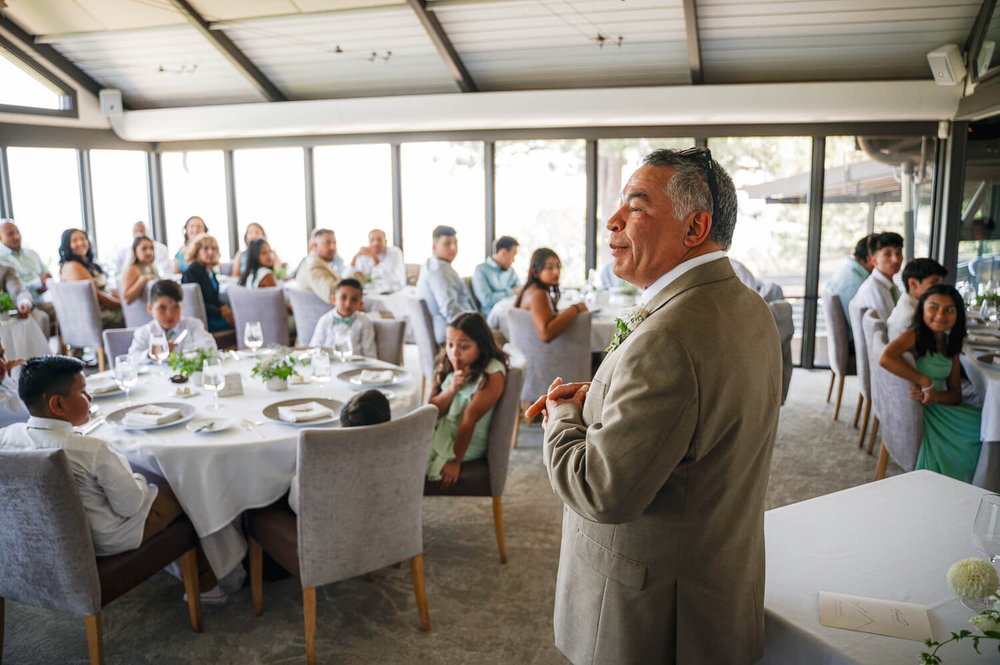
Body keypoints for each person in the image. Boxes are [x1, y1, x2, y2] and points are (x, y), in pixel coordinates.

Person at [532, 148, 781, 664]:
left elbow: (601, 492)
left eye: (636, 207)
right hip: (720, 581)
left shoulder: (668, 336)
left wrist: (563, 417)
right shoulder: (749, 307)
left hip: (656, 614)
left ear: (695, 228)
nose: (613, 220)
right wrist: (605, 394)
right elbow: (702, 413)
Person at [0, 356, 219, 595]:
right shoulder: (91, 450)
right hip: (107, 540)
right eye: (83, 392)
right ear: (58, 405)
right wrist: (140, 479)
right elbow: (130, 506)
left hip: (41, 544)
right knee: (183, 489)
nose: (90, 397)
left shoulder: (6, 437)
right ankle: (206, 585)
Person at [880, 285, 983, 482]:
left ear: (958, 314)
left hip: (938, 404)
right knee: (982, 433)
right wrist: (923, 380)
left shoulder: (948, 342)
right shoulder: (914, 336)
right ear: (922, 309)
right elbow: (885, 357)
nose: (940, 315)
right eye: (933, 308)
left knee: (987, 425)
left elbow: (955, 395)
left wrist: (935, 395)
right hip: (924, 413)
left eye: (949, 310)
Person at [425, 312, 508, 487]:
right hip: (442, 429)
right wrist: (452, 389)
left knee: (408, 461)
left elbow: (468, 419)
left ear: (481, 346)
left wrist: (455, 461)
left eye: (464, 347)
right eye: (450, 344)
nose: (454, 353)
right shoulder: (447, 363)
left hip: (465, 441)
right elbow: (431, 410)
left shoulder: (492, 373)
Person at [287, 389, 391, 515]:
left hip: (328, 526)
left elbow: (297, 500)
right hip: (386, 516)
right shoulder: (398, 457)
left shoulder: (328, 472)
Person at [416, 225, 476, 344]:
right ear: (434, 246)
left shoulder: (432, 264)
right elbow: (449, 309)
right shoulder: (438, 271)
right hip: (454, 332)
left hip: (452, 327)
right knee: (500, 339)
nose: (453, 248)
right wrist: (478, 328)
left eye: (455, 243)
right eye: (447, 244)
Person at [128, 280, 216, 361]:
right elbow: (132, 359)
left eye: (175, 307)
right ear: (150, 308)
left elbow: (210, 348)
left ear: (182, 307)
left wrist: (184, 354)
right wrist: (151, 353)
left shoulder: (193, 325)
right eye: (162, 308)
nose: (169, 314)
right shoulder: (144, 332)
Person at [514, 248, 587, 342]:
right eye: (549, 267)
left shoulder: (530, 290)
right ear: (535, 271)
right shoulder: (538, 294)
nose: (556, 272)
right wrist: (576, 308)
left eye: (558, 266)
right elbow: (546, 334)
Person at [59, 228, 123, 328]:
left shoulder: (84, 264)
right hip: (94, 318)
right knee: (136, 312)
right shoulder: (73, 266)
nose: (80, 243)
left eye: (83, 239)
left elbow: (105, 289)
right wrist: (121, 303)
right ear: (67, 245)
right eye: (74, 240)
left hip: (99, 311)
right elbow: (95, 295)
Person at [824, 234, 876, 339]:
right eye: (886, 254)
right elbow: (862, 329)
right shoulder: (856, 282)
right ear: (869, 258)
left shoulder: (849, 270)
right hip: (857, 343)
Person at [309, 278, 376, 357]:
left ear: (360, 304)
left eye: (354, 300)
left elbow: (370, 353)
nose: (348, 304)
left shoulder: (364, 322)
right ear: (333, 299)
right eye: (343, 297)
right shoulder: (325, 320)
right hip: (328, 363)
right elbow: (314, 347)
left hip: (355, 364)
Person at [181, 234, 233, 332]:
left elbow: (213, 298)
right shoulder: (192, 272)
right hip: (204, 319)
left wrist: (224, 307)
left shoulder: (209, 271)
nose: (210, 252)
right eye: (206, 249)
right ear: (196, 251)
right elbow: (198, 303)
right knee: (237, 322)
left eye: (213, 249)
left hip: (213, 315)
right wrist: (221, 312)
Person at [887, 258, 947, 340]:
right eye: (934, 282)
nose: (939, 288)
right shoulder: (911, 316)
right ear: (913, 283)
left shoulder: (908, 303)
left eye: (941, 283)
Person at [851, 231, 904, 322]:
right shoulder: (873, 290)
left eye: (898, 253)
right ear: (873, 260)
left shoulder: (890, 285)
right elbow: (886, 330)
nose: (896, 259)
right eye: (887, 254)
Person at [296, 228, 346, 305]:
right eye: (328, 243)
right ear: (315, 245)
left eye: (334, 243)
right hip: (325, 314)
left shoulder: (318, 262)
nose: (333, 247)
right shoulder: (314, 264)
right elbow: (332, 294)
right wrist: (354, 272)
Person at [471, 236, 520, 316]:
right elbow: (487, 300)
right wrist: (512, 291)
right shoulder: (481, 270)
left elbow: (520, 291)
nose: (514, 260)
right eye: (513, 255)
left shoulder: (511, 271)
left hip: (512, 310)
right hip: (494, 316)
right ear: (503, 253)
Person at [120, 236, 159, 305]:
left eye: (151, 248)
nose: (149, 252)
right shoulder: (132, 269)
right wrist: (142, 280)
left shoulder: (151, 267)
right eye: (144, 249)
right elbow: (126, 300)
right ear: (135, 251)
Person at [0, 343, 28, 428]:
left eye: (1, 355)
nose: (2, 363)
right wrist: (21, 371)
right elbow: (38, 408)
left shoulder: (7, 382)